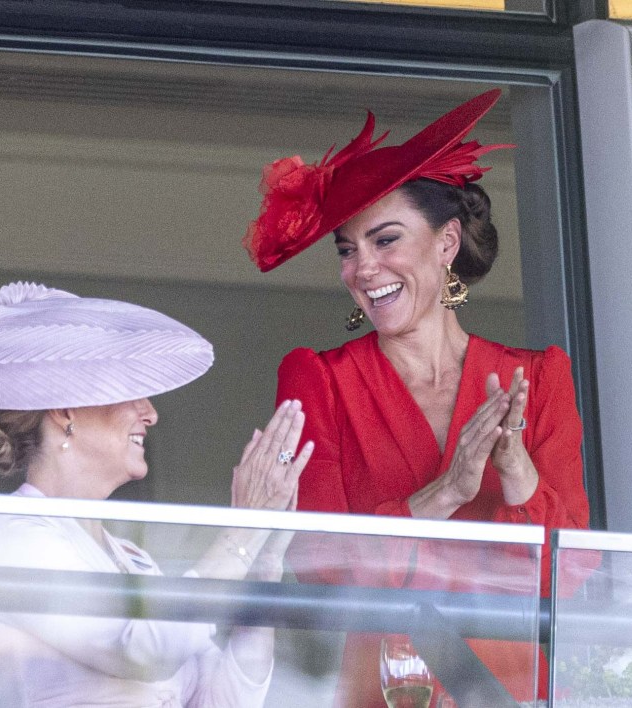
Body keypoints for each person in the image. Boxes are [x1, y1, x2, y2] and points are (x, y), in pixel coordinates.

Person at [242, 89, 590, 705]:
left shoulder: (538, 379)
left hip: (508, 692)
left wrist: (516, 473)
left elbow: (567, 577)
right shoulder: (316, 380)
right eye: (348, 250)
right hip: (377, 689)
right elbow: (320, 565)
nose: (362, 268)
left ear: (447, 243)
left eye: (385, 240)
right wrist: (446, 492)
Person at [0, 281, 313, 708]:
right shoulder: (11, 533)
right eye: (131, 392)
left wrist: (264, 564)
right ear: (66, 409)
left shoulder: (129, 556)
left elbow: (222, 700)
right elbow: (144, 651)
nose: (151, 413)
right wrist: (241, 532)